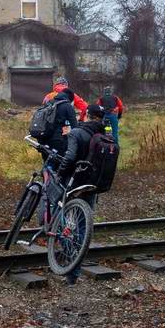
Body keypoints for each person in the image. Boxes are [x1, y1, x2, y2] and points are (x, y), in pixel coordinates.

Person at [56, 104, 107, 285]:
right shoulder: (105, 136)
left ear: (86, 115)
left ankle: (70, 263)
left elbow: (70, 158)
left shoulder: (77, 133)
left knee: (58, 218)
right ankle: (74, 273)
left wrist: (59, 174)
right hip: (92, 185)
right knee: (83, 227)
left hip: (74, 183)